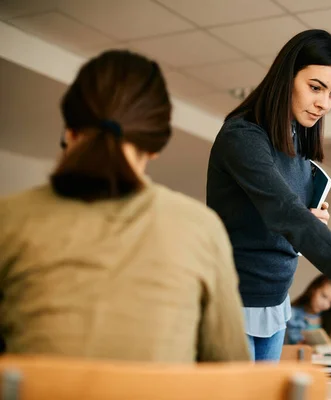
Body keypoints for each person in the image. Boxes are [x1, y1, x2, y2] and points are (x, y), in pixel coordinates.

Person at [0, 50, 249, 363]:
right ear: (155, 146)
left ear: (69, 131)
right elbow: (230, 370)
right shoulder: (200, 227)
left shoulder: (9, 219)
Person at [206, 29, 331, 361]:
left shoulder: (297, 145)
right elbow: (285, 213)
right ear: (286, 77)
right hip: (233, 305)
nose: (323, 104)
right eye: (315, 88)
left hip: (275, 304)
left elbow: (282, 223)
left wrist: (307, 222)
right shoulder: (243, 137)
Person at [286, 275, 331, 345]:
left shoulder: (329, 321)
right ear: (313, 289)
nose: (325, 305)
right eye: (324, 296)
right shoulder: (291, 314)